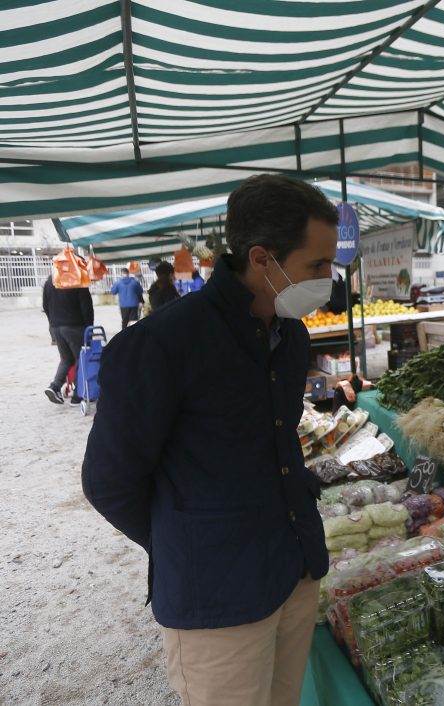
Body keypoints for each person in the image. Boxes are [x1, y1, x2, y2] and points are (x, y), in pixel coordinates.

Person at [82, 174, 338, 706]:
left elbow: (277, 439)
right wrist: (188, 542)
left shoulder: (292, 335)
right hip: (219, 598)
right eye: (317, 265)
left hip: (295, 571)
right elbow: (109, 481)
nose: (328, 278)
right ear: (263, 259)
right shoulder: (160, 344)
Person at [42, 273, 94, 405]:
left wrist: (53, 323)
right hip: (75, 327)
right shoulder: (78, 280)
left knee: (66, 359)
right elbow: (86, 307)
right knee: (80, 359)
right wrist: (89, 327)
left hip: (56, 327)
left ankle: (55, 386)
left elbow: (45, 306)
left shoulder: (50, 280)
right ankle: (77, 395)